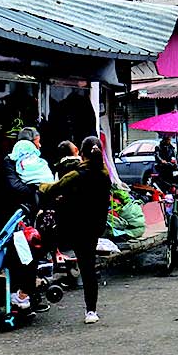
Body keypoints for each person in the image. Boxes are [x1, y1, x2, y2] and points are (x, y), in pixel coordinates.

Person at [40, 135, 112, 325]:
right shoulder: (105, 176)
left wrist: (39, 186)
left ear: (82, 153)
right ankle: (91, 311)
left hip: (73, 228)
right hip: (94, 229)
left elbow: (51, 190)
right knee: (88, 268)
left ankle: (25, 291)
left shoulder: (75, 175)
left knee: (39, 244)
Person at [1, 127, 48, 312]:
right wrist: (34, 190)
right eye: (38, 140)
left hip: (31, 216)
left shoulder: (36, 161)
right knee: (20, 257)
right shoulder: (10, 161)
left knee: (32, 256)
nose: (40, 144)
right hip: (16, 217)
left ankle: (27, 296)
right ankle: (18, 297)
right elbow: (14, 186)